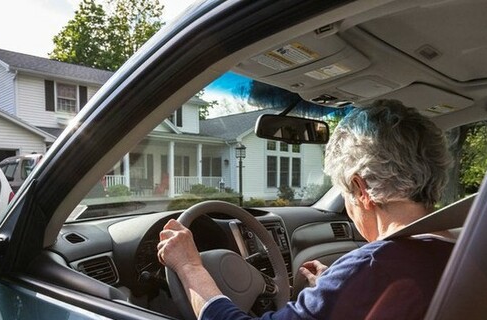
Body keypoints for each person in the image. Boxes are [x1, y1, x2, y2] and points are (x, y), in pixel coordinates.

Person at [157, 99, 455, 319]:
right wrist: (333, 288)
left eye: (346, 194)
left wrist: (190, 267)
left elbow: (373, 280)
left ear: (361, 190)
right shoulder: (464, 246)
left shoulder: (374, 267)